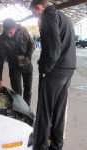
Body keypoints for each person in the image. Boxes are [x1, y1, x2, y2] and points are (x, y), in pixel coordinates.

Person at [29, 0, 76, 150]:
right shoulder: (62, 16)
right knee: (59, 110)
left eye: (34, 13)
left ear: (39, 7)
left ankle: (41, 145)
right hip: (68, 68)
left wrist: (45, 68)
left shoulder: (48, 15)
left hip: (55, 69)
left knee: (45, 110)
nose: (36, 17)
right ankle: (56, 144)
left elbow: (54, 46)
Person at [0, 18, 34, 106]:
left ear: (16, 27)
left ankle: (27, 108)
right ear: (4, 29)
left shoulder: (23, 31)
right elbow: (0, 60)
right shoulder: (2, 39)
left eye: (11, 32)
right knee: (17, 92)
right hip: (14, 67)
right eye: (7, 32)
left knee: (28, 90)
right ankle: (19, 109)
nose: (9, 35)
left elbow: (31, 44)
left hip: (26, 64)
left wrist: (28, 56)